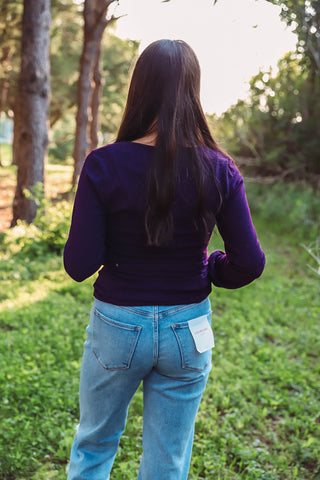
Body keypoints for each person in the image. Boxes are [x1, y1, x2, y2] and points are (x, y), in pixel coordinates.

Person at [64, 39, 265, 480]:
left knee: (94, 444)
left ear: (139, 88)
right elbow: (249, 262)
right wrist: (213, 267)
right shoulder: (220, 168)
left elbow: (79, 264)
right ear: (193, 90)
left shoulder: (103, 165)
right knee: (168, 460)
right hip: (188, 331)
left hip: (118, 325)